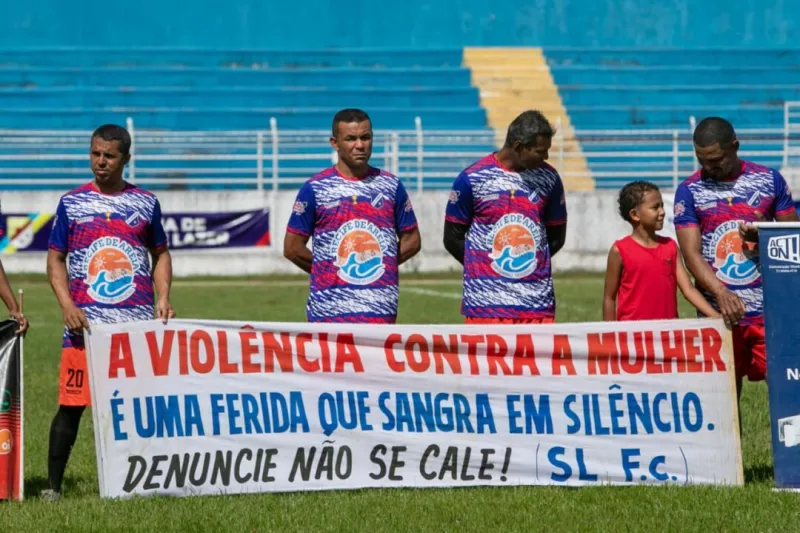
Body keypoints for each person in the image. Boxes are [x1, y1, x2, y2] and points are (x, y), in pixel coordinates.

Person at [41, 124, 176, 501]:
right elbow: (55, 259)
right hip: (83, 329)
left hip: (134, 330)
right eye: (95, 153)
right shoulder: (71, 203)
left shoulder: (145, 203)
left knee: (138, 408)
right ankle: (53, 487)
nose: (101, 162)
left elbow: (160, 254)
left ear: (125, 159)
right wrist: (67, 305)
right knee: (71, 407)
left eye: (110, 156)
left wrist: (162, 297)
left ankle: (141, 482)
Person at [674, 116, 799, 394]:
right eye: (702, 160)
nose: (709, 167)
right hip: (718, 313)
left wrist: (764, 236)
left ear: (735, 146)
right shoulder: (689, 190)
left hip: (770, 310)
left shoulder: (769, 180)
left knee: (787, 392)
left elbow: (793, 239)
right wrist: (721, 293)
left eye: (716, 159)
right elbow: (691, 253)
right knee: (724, 398)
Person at [283, 108, 421, 323]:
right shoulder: (315, 188)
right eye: (351, 139)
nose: (360, 145)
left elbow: (412, 240)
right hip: (329, 312)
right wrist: (330, 270)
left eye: (365, 137)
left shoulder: (391, 186)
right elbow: (292, 248)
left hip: (378, 309)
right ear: (335, 143)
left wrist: (378, 268)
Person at [443, 110, 567, 324]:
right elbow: (452, 238)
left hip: (536, 305)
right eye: (540, 151)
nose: (546, 157)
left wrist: (526, 264)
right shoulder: (472, 178)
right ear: (519, 147)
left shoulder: (550, 178)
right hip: (486, 305)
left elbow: (556, 236)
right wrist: (488, 266)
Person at [603, 181, 719, 321]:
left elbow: (688, 290)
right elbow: (609, 298)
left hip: (667, 337)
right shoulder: (619, 250)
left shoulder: (670, 246)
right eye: (655, 207)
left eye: (662, 206)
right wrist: (610, 336)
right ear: (635, 215)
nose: (662, 212)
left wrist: (716, 317)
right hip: (633, 338)